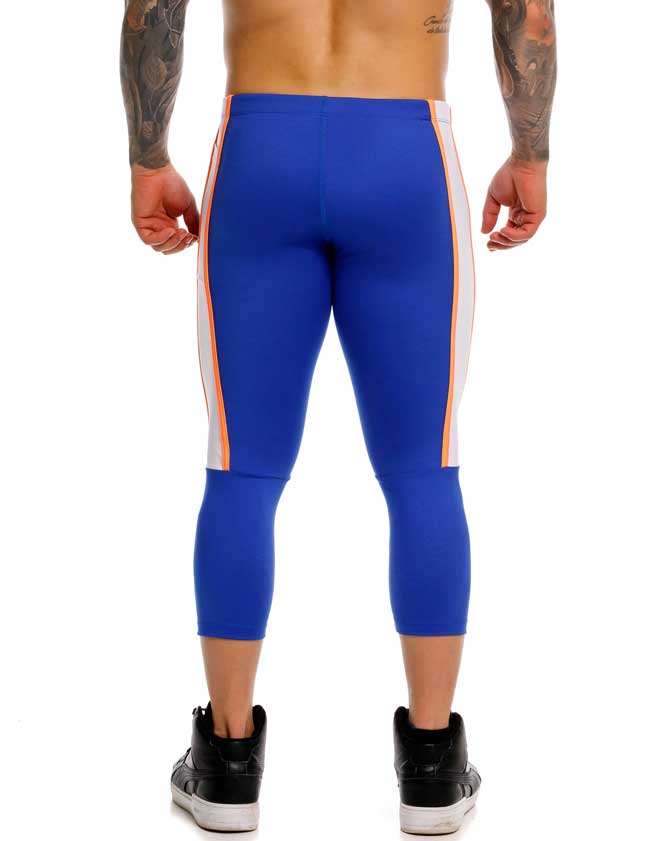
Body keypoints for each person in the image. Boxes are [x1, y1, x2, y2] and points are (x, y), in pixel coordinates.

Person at [120, 0, 556, 834]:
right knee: (424, 471)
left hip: (262, 149)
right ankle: (433, 769)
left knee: (241, 470)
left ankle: (226, 766)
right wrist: (530, 151)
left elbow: (156, 6)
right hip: (403, 153)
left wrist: (148, 157)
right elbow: (526, 10)